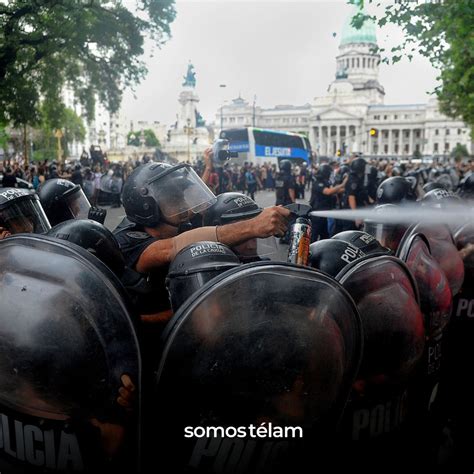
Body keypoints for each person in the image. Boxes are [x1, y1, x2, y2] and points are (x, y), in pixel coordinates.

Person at [113, 155, 290, 324]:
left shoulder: (179, 225)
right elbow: (171, 248)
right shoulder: (128, 241)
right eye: (175, 197)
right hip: (147, 337)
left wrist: (209, 168)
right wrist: (253, 226)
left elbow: (202, 213)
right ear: (147, 206)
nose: (184, 201)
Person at [310, 163, 347, 242]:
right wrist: (342, 184)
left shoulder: (326, 182)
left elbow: (334, 190)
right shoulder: (317, 182)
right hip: (317, 213)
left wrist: (348, 189)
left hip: (324, 212)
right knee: (314, 235)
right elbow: (328, 192)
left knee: (325, 235)